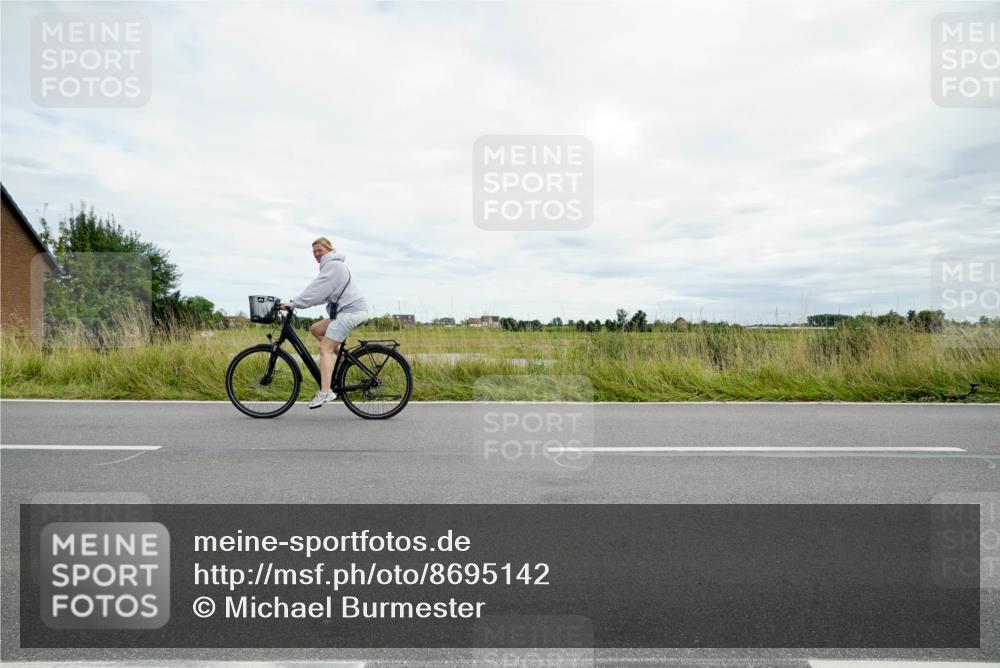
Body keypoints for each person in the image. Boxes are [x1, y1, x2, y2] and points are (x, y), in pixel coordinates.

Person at [281, 237, 371, 409]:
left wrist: (294, 303)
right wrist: (297, 301)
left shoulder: (333, 266)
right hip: (346, 312)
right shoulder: (330, 266)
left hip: (351, 312)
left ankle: (325, 392)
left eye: (319, 250)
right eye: (314, 252)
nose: (316, 254)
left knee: (325, 348)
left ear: (329, 250)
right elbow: (319, 292)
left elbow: (315, 292)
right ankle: (343, 359)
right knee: (316, 329)